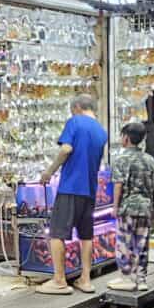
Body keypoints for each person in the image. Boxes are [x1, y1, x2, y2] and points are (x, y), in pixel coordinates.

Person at [37, 94, 108, 295]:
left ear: (76, 107)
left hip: (70, 187)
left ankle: (59, 279)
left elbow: (66, 149)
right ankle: (85, 279)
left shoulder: (75, 122)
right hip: (90, 189)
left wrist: (49, 171)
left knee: (57, 233)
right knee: (86, 235)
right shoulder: (101, 131)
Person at [108, 122, 154, 292]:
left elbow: (118, 184)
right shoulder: (149, 159)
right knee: (142, 243)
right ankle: (142, 278)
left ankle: (126, 277)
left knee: (125, 242)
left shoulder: (121, 159)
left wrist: (115, 206)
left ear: (125, 138)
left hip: (127, 207)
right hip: (145, 207)